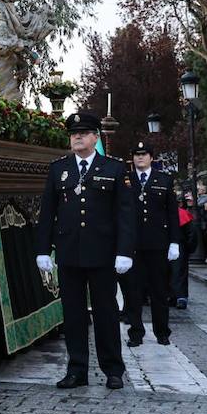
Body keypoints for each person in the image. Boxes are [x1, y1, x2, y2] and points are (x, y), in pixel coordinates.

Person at [34, 111, 136, 390]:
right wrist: (43, 249)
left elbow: (125, 214)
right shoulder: (58, 169)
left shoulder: (114, 168)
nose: (77, 137)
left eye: (83, 133)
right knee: (73, 314)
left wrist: (125, 251)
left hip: (103, 253)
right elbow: (47, 213)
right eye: (73, 133)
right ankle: (77, 369)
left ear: (95, 137)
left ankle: (113, 369)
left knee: (106, 312)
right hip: (69, 252)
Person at [123, 141, 180, 346]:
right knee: (133, 291)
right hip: (133, 245)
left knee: (159, 291)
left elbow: (172, 214)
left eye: (144, 154)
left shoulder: (164, 180)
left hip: (158, 244)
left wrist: (174, 241)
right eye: (136, 154)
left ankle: (162, 332)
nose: (140, 158)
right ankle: (136, 332)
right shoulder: (125, 180)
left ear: (151, 158)